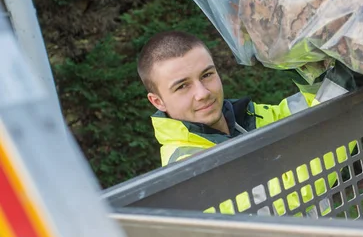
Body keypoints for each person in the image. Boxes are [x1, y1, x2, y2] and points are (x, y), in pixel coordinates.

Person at [137, 30, 321, 167]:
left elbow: (313, 109)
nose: (203, 93)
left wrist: (301, 57)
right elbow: (286, 198)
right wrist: (340, 85)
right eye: (182, 86)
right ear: (157, 101)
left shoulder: (248, 118)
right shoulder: (185, 165)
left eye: (206, 75)